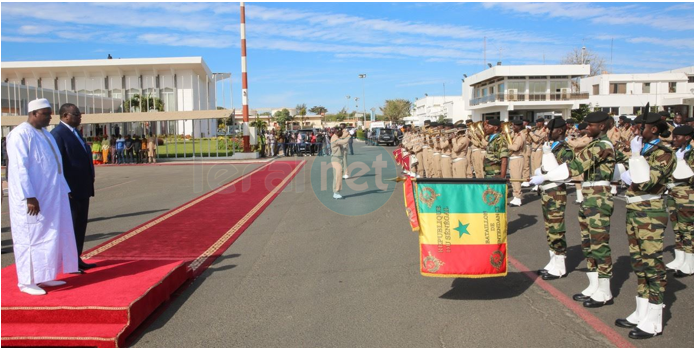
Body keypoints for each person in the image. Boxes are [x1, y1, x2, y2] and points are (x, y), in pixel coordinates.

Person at [6, 98, 78, 295]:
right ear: (34, 114)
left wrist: (65, 189)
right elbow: (20, 168)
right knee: (30, 238)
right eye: (46, 113)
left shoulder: (45, 134)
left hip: (51, 197)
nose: (50, 116)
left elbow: (56, 166)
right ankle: (26, 282)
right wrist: (29, 196)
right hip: (32, 199)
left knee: (49, 236)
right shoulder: (20, 134)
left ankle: (44, 276)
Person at [615, 113, 675, 339]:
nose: (639, 130)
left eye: (644, 126)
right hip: (635, 210)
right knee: (639, 263)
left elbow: (647, 181)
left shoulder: (664, 153)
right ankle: (641, 311)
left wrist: (637, 156)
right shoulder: (647, 150)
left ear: (656, 130)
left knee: (653, 264)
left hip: (651, 212)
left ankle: (655, 318)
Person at [564, 112, 617, 308]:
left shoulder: (602, 145)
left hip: (599, 196)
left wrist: (547, 176)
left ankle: (605, 289)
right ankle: (594, 285)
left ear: (602, 127)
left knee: (599, 244)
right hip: (589, 195)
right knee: (588, 242)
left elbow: (576, 166)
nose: (588, 128)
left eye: (592, 125)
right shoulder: (595, 144)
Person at [51, 103, 97, 271]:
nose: (80, 117)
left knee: (79, 225)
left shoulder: (75, 132)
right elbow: (57, 164)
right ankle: (68, 262)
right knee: (71, 226)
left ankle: (76, 258)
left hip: (82, 188)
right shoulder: (58, 134)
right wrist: (65, 188)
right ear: (65, 116)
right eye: (76, 114)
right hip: (70, 190)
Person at [529, 118, 574, 280]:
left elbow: (565, 169)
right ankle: (553, 261)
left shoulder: (565, 148)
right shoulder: (552, 146)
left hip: (556, 191)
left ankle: (560, 265)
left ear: (560, 131)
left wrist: (545, 175)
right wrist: (539, 172)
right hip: (547, 190)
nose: (548, 132)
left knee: (556, 227)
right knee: (549, 227)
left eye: (552, 130)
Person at [665, 125, 694, 277]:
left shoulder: (692, 153)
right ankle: (680, 258)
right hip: (673, 193)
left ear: (688, 137)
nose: (674, 139)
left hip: (687, 194)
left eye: (677, 137)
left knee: (687, 229)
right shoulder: (677, 152)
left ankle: (690, 262)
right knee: (677, 228)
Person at [508, 120, 526, 206]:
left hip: (517, 158)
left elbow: (515, 147)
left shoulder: (520, 135)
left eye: (514, 126)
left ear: (519, 126)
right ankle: (515, 196)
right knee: (513, 178)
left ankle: (518, 198)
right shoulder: (516, 134)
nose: (513, 128)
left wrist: (506, 145)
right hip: (513, 158)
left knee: (516, 179)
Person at [330, 127, 351, 199]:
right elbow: (344, 141)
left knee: (339, 175)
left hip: (339, 158)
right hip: (336, 159)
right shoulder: (334, 138)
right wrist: (349, 135)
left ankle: (336, 192)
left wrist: (346, 132)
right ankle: (336, 192)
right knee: (337, 176)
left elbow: (342, 136)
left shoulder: (336, 136)